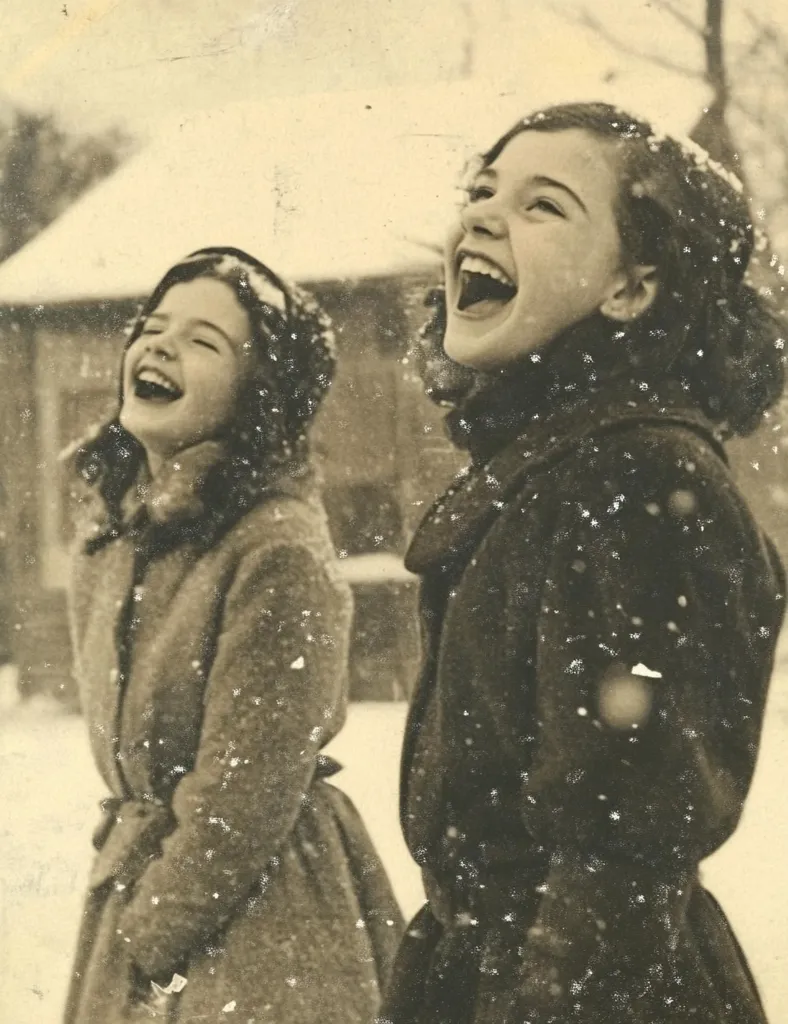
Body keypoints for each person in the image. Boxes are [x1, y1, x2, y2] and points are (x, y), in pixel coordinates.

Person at [380, 104, 787, 1024]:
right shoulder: (551, 469)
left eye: (543, 206)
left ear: (631, 289)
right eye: (481, 192)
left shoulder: (639, 477)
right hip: (491, 974)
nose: (481, 216)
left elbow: (626, 844)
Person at [62, 247, 402, 1023]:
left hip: (260, 913)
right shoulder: (119, 536)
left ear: (260, 398)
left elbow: (246, 791)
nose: (159, 345)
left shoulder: (275, 548)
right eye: (152, 327)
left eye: (204, 341)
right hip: (154, 883)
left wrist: (153, 931)